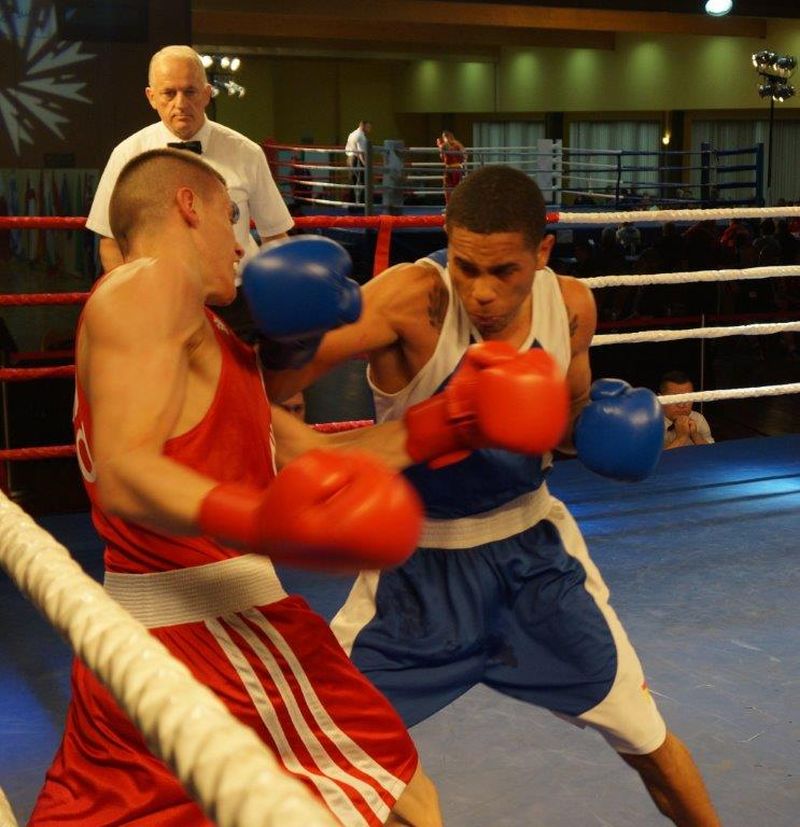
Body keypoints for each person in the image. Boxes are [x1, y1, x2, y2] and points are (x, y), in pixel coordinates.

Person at [263, 166, 722, 826]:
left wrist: (595, 432)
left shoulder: (570, 307)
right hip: (415, 573)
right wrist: (303, 432)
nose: (480, 292)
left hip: (535, 565)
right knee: (319, 755)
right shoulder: (411, 299)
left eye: (503, 271)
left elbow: (566, 422)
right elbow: (264, 381)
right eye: (465, 266)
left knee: (649, 741)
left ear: (542, 252)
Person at [30, 148, 448, 827]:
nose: (239, 244)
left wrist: (452, 424)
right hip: (218, 628)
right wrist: (262, 520)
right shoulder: (153, 283)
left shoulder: (201, 335)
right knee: (401, 794)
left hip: (139, 636)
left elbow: (311, 456)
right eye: (232, 218)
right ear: (188, 206)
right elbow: (126, 472)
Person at [86, 45, 293, 275]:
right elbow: (110, 242)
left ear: (206, 94)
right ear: (152, 97)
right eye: (169, 93)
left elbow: (275, 235)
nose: (181, 103)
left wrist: (272, 291)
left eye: (190, 92)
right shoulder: (127, 155)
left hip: (236, 290)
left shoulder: (247, 153)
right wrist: (135, 291)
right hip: (158, 291)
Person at [660, 370, 715, 450]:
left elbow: (712, 452)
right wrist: (681, 437)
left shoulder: (698, 419)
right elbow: (650, 457)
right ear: (661, 400)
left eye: (687, 398)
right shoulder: (651, 424)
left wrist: (695, 435)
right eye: (674, 399)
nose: (682, 405)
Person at [435, 130, 466, 204]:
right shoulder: (458, 144)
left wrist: (440, 145)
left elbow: (444, 156)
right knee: (456, 188)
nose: (444, 138)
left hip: (451, 168)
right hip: (457, 168)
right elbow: (464, 156)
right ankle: (456, 205)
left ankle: (450, 206)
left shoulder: (446, 145)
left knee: (448, 188)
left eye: (444, 137)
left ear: (447, 137)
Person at [345, 120, 371, 205]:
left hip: (350, 158)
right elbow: (360, 152)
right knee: (364, 181)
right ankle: (363, 204)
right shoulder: (361, 136)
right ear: (362, 125)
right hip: (356, 159)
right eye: (368, 127)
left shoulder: (352, 134)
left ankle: (352, 204)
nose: (369, 129)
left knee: (353, 182)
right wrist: (365, 164)